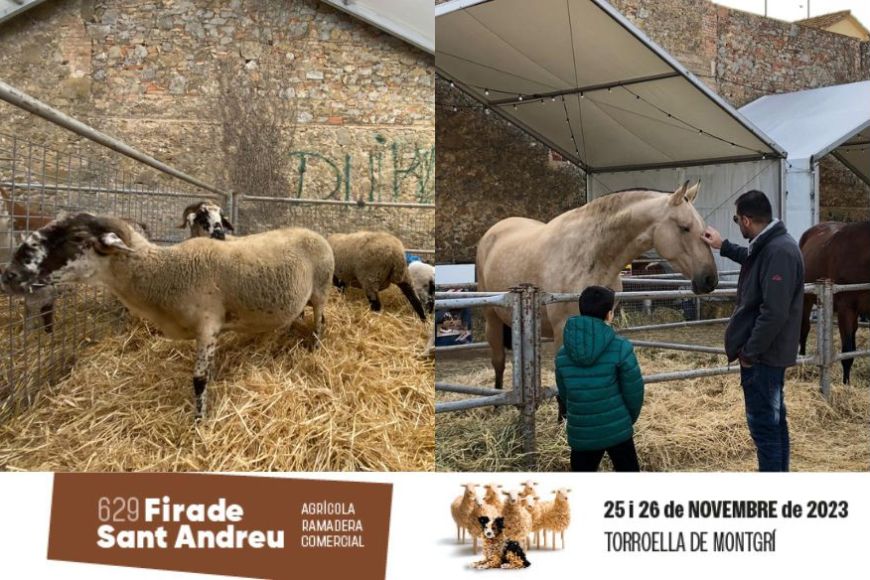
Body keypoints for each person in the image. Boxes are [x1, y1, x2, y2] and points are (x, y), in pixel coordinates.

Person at [701, 190, 804, 472]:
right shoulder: (771, 245)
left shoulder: (779, 251)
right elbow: (751, 257)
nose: (738, 224)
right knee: (774, 424)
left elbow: (774, 313)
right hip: (766, 356)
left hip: (764, 358)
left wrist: (749, 353)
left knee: (766, 431)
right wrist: (722, 245)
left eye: (736, 219)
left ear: (746, 220)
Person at [555, 286, 644, 472]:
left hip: (582, 433)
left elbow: (564, 394)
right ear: (609, 315)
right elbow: (634, 391)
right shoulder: (621, 347)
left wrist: (579, 415)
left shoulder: (563, 354)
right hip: (617, 429)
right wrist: (627, 419)